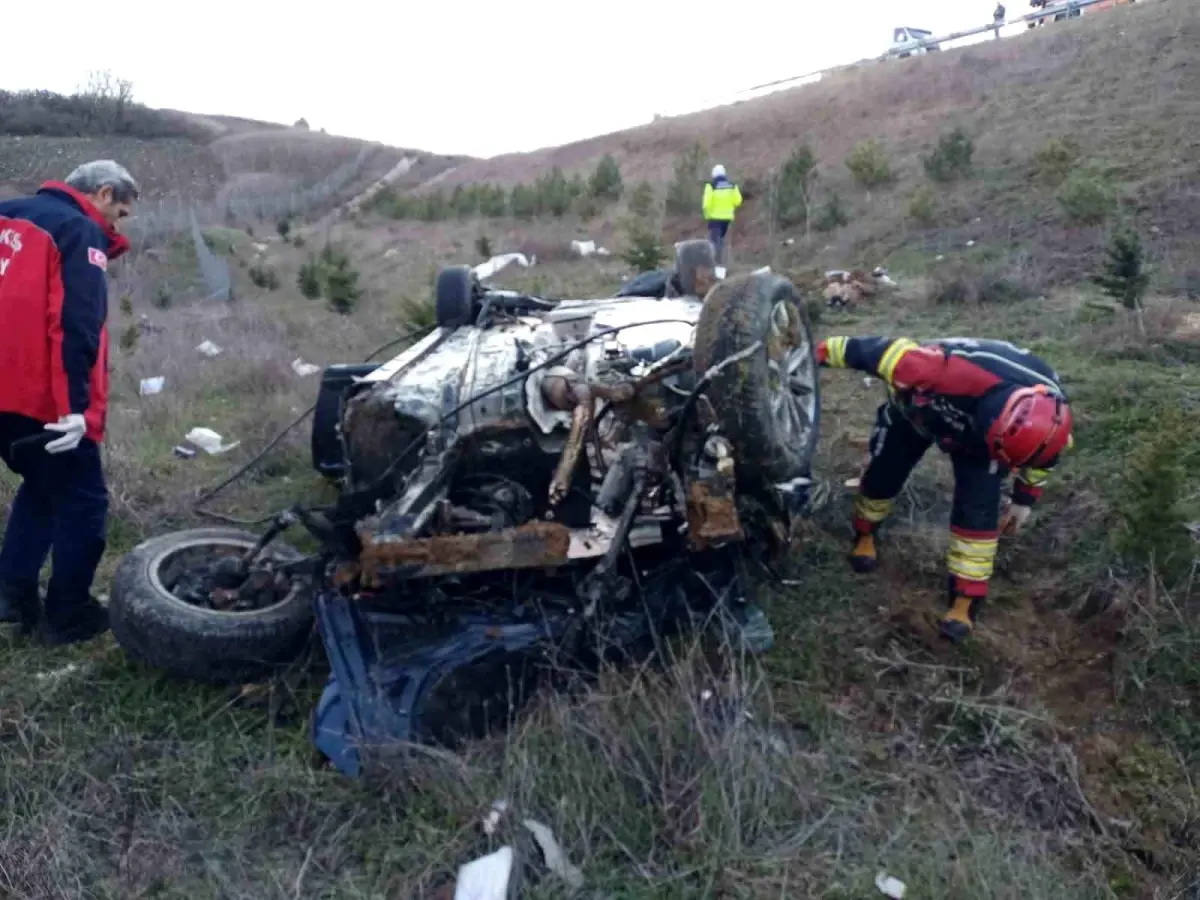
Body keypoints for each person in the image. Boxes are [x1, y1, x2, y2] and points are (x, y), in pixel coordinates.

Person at [816, 335, 1073, 643]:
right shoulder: (937, 368)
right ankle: (864, 535)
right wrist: (814, 353)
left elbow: (1043, 460)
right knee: (884, 475)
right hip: (917, 410)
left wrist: (1023, 501)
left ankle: (965, 602)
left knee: (978, 513)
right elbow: (869, 351)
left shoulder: (1052, 423)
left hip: (981, 444)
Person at [0, 160, 138, 644]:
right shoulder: (76, 230)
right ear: (102, 193)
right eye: (118, 214)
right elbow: (76, 323)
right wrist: (76, 409)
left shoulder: (5, 215)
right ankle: (68, 616)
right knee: (83, 503)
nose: (115, 226)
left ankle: (11, 596)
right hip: (43, 401)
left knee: (41, 487)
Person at [701, 164, 742, 276]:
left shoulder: (711, 186)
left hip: (714, 218)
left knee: (715, 242)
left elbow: (706, 204)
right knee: (723, 241)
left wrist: (706, 216)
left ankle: (716, 265)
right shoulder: (732, 185)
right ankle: (724, 264)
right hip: (727, 218)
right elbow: (738, 201)